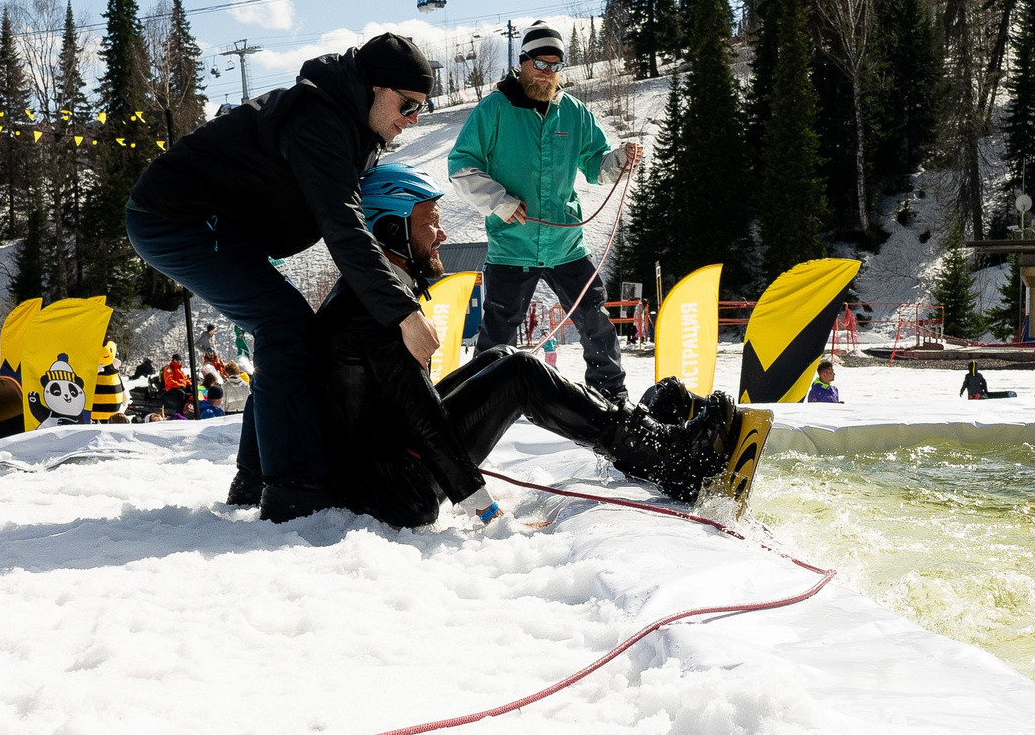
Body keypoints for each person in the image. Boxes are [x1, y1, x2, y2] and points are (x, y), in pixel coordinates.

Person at [259, 162, 732, 529]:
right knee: (520, 374)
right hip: (396, 490)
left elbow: (405, 406)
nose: (442, 234)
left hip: (382, 464)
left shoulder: (369, 293)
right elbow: (420, 414)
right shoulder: (374, 310)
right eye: (431, 222)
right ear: (389, 231)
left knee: (501, 358)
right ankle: (669, 457)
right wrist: (483, 509)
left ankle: (640, 435)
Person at [126, 32, 441, 522]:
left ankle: (254, 477)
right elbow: (342, 224)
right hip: (175, 217)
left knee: (289, 331)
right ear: (377, 88)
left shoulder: (354, 123)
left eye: (422, 107)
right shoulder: (323, 118)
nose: (413, 119)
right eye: (408, 104)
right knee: (285, 327)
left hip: (223, 225)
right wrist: (402, 313)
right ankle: (293, 487)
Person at [447, 21, 641, 405]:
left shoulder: (573, 113)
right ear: (523, 63)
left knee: (595, 323)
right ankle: (479, 405)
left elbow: (595, 164)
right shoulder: (494, 110)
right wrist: (500, 202)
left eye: (555, 66)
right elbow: (461, 167)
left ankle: (611, 398)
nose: (547, 73)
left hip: (566, 243)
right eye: (540, 63)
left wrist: (619, 158)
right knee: (497, 333)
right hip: (511, 245)